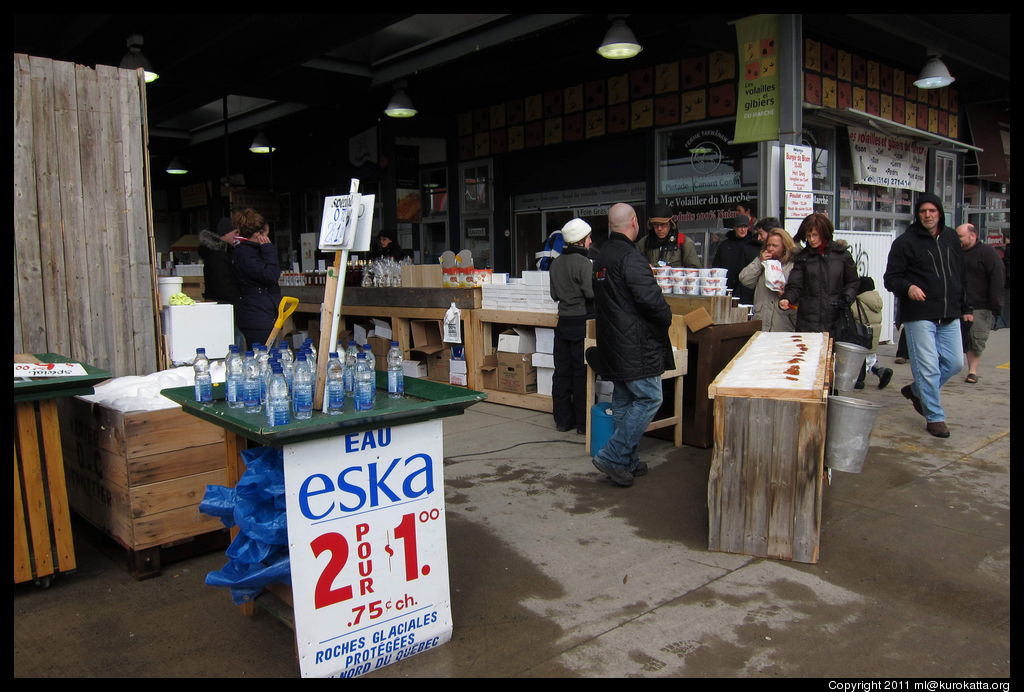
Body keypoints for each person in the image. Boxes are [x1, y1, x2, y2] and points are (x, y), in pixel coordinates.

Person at [589, 203, 673, 488]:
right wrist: (666, 316)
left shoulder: (601, 258)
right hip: (636, 345)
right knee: (650, 398)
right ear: (634, 223)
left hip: (613, 343)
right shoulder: (631, 258)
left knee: (624, 401)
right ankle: (613, 456)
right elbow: (652, 302)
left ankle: (627, 459)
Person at [883, 193, 969, 439]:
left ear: (939, 212)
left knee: (954, 363)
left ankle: (916, 390)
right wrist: (908, 287)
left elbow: (961, 274)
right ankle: (935, 417)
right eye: (923, 211)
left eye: (932, 210)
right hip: (919, 313)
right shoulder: (905, 243)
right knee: (928, 367)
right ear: (918, 215)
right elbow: (891, 278)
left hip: (949, 312)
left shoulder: (951, 237)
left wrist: (966, 308)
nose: (928, 215)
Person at [548, 218, 595, 434]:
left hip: (562, 323)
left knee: (561, 373)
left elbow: (554, 295)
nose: (591, 241)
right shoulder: (584, 264)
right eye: (589, 238)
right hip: (581, 323)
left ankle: (562, 420)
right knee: (581, 374)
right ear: (582, 240)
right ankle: (583, 424)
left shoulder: (556, 263)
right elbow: (591, 293)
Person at [779, 213, 859, 333]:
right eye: (808, 236)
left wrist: (846, 297)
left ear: (824, 233)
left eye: (815, 235)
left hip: (836, 319)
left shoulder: (841, 255)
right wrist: (788, 298)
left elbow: (853, 281)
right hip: (807, 322)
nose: (811, 239)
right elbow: (795, 284)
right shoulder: (803, 257)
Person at [956, 223, 1004, 383]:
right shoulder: (955, 253)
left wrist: (995, 305)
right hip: (956, 304)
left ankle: (972, 371)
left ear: (972, 235)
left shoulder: (987, 253)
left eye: (960, 236)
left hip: (980, 305)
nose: (958, 240)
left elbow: (997, 279)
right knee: (957, 339)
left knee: (975, 340)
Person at [231, 208, 282, 349]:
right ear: (259, 234)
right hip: (257, 315)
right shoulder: (246, 253)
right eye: (267, 234)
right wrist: (268, 249)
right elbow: (271, 275)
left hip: (260, 312)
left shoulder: (246, 251)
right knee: (264, 356)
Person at [737, 227, 797, 332]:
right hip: (762, 322)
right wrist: (759, 261)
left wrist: (786, 294)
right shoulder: (763, 264)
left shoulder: (793, 266)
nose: (770, 248)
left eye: (775, 246)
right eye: (768, 245)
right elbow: (745, 279)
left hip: (783, 323)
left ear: (784, 247)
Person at [198, 217, 245, 349]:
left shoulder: (221, 253)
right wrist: (239, 299)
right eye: (235, 233)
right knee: (234, 343)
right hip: (225, 307)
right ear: (225, 233)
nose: (238, 236)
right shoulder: (218, 256)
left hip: (223, 306)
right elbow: (223, 285)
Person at [852, 276, 893, 389]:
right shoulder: (876, 302)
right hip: (872, 338)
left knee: (859, 360)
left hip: (861, 337)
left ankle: (859, 380)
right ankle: (882, 372)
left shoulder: (858, 303)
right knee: (870, 360)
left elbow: (851, 315)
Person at [712, 214, 761, 304]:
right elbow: (716, 268)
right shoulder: (724, 246)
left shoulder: (754, 246)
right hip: (726, 289)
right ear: (734, 227)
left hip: (746, 292)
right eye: (740, 227)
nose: (743, 230)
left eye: (745, 226)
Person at [634, 203, 700, 268]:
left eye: (663, 224)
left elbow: (694, 270)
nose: (659, 228)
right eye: (655, 224)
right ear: (651, 225)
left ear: (671, 224)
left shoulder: (684, 242)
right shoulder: (644, 243)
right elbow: (634, 267)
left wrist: (672, 271)